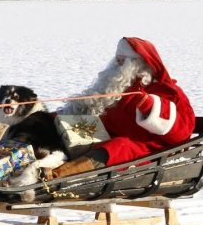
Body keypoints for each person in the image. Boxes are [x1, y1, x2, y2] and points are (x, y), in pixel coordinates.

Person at [44, 37, 196, 179]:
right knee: (58, 123)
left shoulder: (168, 91)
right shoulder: (116, 86)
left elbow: (182, 130)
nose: (118, 62)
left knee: (117, 148)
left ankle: (55, 175)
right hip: (104, 134)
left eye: (123, 60)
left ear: (141, 63)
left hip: (146, 149)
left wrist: (150, 107)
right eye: (118, 59)